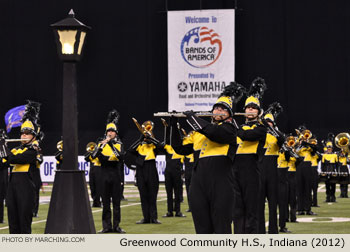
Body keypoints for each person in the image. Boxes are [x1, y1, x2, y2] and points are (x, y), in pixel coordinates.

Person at [171, 82, 244, 234]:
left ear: (229, 114)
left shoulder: (231, 129)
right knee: (202, 229)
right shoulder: (199, 132)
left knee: (221, 229)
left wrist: (193, 118)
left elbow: (215, 133)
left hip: (222, 183)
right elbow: (180, 149)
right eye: (216, 108)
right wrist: (173, 126)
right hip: (199, 184)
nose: (218, 110)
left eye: (223, 109)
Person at [0, 101, 41, 233]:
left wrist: (3, 147)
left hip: (26, 189)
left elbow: (13, 159)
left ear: (33, 136)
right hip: (12, 189)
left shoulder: (34, 150)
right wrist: (2, 150)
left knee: (24, 224)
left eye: (27, 133)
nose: (23, 135)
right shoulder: (16, 149)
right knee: (13, 223)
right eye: (22, 133)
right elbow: (3, 162)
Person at [233, 77, 267, 234]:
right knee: (237, 209)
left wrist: (234, 126)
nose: (251, 110)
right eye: (248, 107)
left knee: (251, 209)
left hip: (251, 170)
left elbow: (248, 136)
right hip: (235, 170)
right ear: (244, 110)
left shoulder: (261, 128)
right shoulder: (238, 127)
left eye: (254, 108)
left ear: (259, 112)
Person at [93, 109, 125, 233]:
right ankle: (106, 226)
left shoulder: (119, 144)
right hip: (104, 175)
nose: (110, 133)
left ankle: (116, 226)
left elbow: (120, 157)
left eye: (112, 131)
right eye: (108, 131)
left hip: (116, 175)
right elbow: (96, 156)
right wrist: (102, 146)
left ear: (116, 133)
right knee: (105, 203)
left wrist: (110, 145)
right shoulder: (101, 143)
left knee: (116, 203)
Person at [126, 120, 163, 224]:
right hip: (141, 168)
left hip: (151, 167)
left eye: (149, 131)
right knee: (143, 194)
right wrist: (140, 139)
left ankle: (154, 217)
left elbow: (161, 147)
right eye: (146, 132)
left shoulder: (153, 145)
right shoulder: (140, 144)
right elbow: (130, 150)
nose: (147, 133)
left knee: (152, 193)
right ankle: (146, 217)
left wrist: (152, 139)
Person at [257, 106, 284, 234]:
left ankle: (273, 230)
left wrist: (272, 129)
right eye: (266, 122)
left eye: (270, 122)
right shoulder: (259, 134)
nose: (268, 124)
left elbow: (282, 139)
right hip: (260, 171)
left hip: (273, 172)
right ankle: (260, 231)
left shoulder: (276, 136)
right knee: (259, 205)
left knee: (273, 204)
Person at [162, 122, 186, 218]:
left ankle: (178, 211)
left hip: (177, 171)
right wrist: (167, 127)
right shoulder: (168, 147)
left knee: (177, 192)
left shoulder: (181, 147)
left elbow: (179, 138)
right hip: (168, 172)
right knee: (169, 193)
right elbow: (167, 139)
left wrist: (177, 128)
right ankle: (169, 211)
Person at [295, 126, 317, 215]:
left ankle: (308, 209)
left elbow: (315, 150)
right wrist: (300, 144)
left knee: (308, 188)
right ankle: (300, 209)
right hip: (299, 165)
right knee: (299, 188)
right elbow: (295, 151)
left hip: (308, 165)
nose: (305, 135)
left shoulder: (310, 143)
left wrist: (307, 144)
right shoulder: (297, 142)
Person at [84, 141, 102, 207]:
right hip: (92, 169)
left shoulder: (100, 153)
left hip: (99, 169)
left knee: (98, 186)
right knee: (92, 185)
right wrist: (91, 152)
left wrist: (97, 152)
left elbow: (100, 159)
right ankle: (94, 200)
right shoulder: (91, 154)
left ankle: (98, 201)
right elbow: (86, 158)